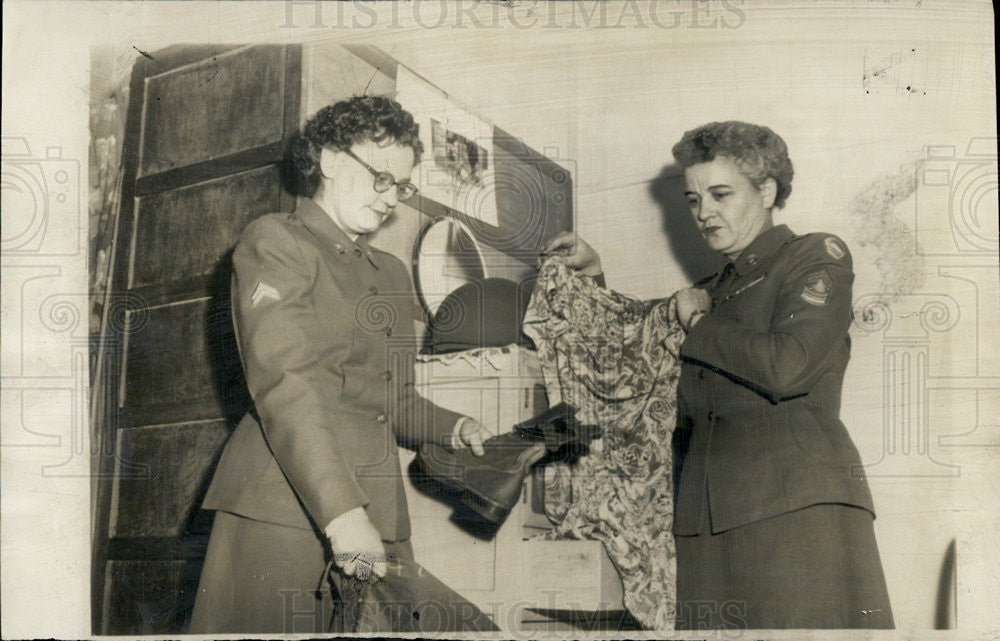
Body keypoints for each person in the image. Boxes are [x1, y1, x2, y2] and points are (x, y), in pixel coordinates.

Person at [543, 121, 893, 629]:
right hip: (704, 525)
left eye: (720, 194)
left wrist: (697, 321)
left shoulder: (813, 256)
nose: (704, 213)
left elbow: (788, 365)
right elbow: (640, 361)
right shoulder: (710, 288)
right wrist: (592, 277)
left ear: (767, 190)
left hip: (794, 512)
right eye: (692, 199)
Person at [189, 96, 494, 634]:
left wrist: (454, 427)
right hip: (285, 509)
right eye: (381, 177)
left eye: (400, 187)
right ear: (329, 160)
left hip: (376, 510)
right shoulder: (276, 241)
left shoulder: (393, 273)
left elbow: (392, 401)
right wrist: (342, 515)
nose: (391, 201)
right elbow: (285, 385)